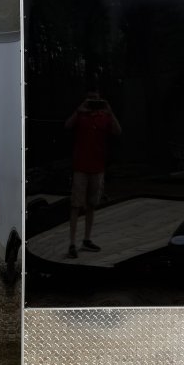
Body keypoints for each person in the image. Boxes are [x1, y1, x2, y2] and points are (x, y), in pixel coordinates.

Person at [64, 87, 121, 259]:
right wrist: (79, 109)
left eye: (96, 99)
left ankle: (86, 240)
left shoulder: (104, 117)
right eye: (90, 99)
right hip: (80, 167)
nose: (93, 102)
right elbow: (67, 125)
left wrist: (109, 111)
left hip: (97, 168)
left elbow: (118, 131)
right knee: (76, 205)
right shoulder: (81, 115)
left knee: (91, 205)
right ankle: (72, 243)